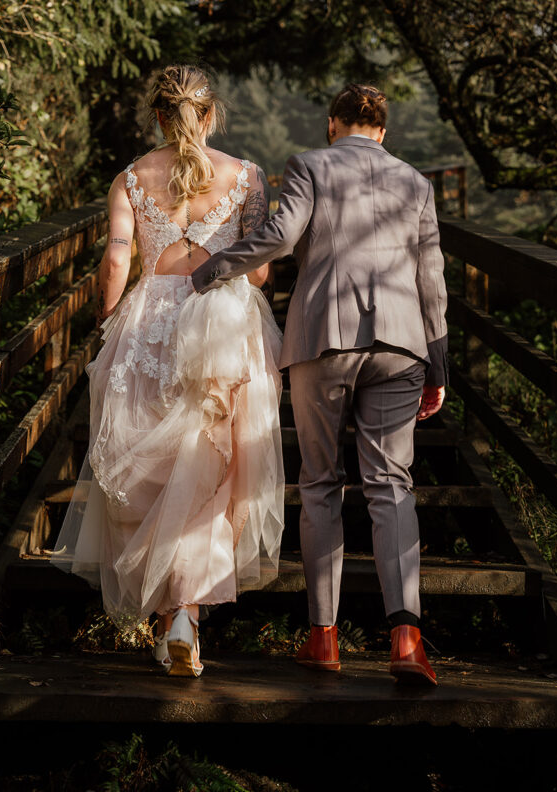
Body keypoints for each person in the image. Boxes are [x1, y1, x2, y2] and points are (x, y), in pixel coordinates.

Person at [192, 82, 448, 685]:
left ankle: (323, 638)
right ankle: (407, 642)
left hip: (322, 341)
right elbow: (432, 280)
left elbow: (280, 240)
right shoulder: (415, 182)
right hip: (402, 344)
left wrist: (208, 271)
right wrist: (438, 367)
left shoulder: (308, 165)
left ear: (333, 124)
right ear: (383, 131)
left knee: (319, 481)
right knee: (391, 484)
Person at [51, 64, 284, 678]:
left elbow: (117, 258)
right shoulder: (248, 178)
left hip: (150, 326)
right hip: (223, 325)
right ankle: (185, 617)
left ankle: (169, 620)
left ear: (158, 114)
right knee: (214, 475)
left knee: (150, 476)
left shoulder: (130, 178)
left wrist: (107, 325)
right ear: (210, 115)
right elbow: (260, 271)